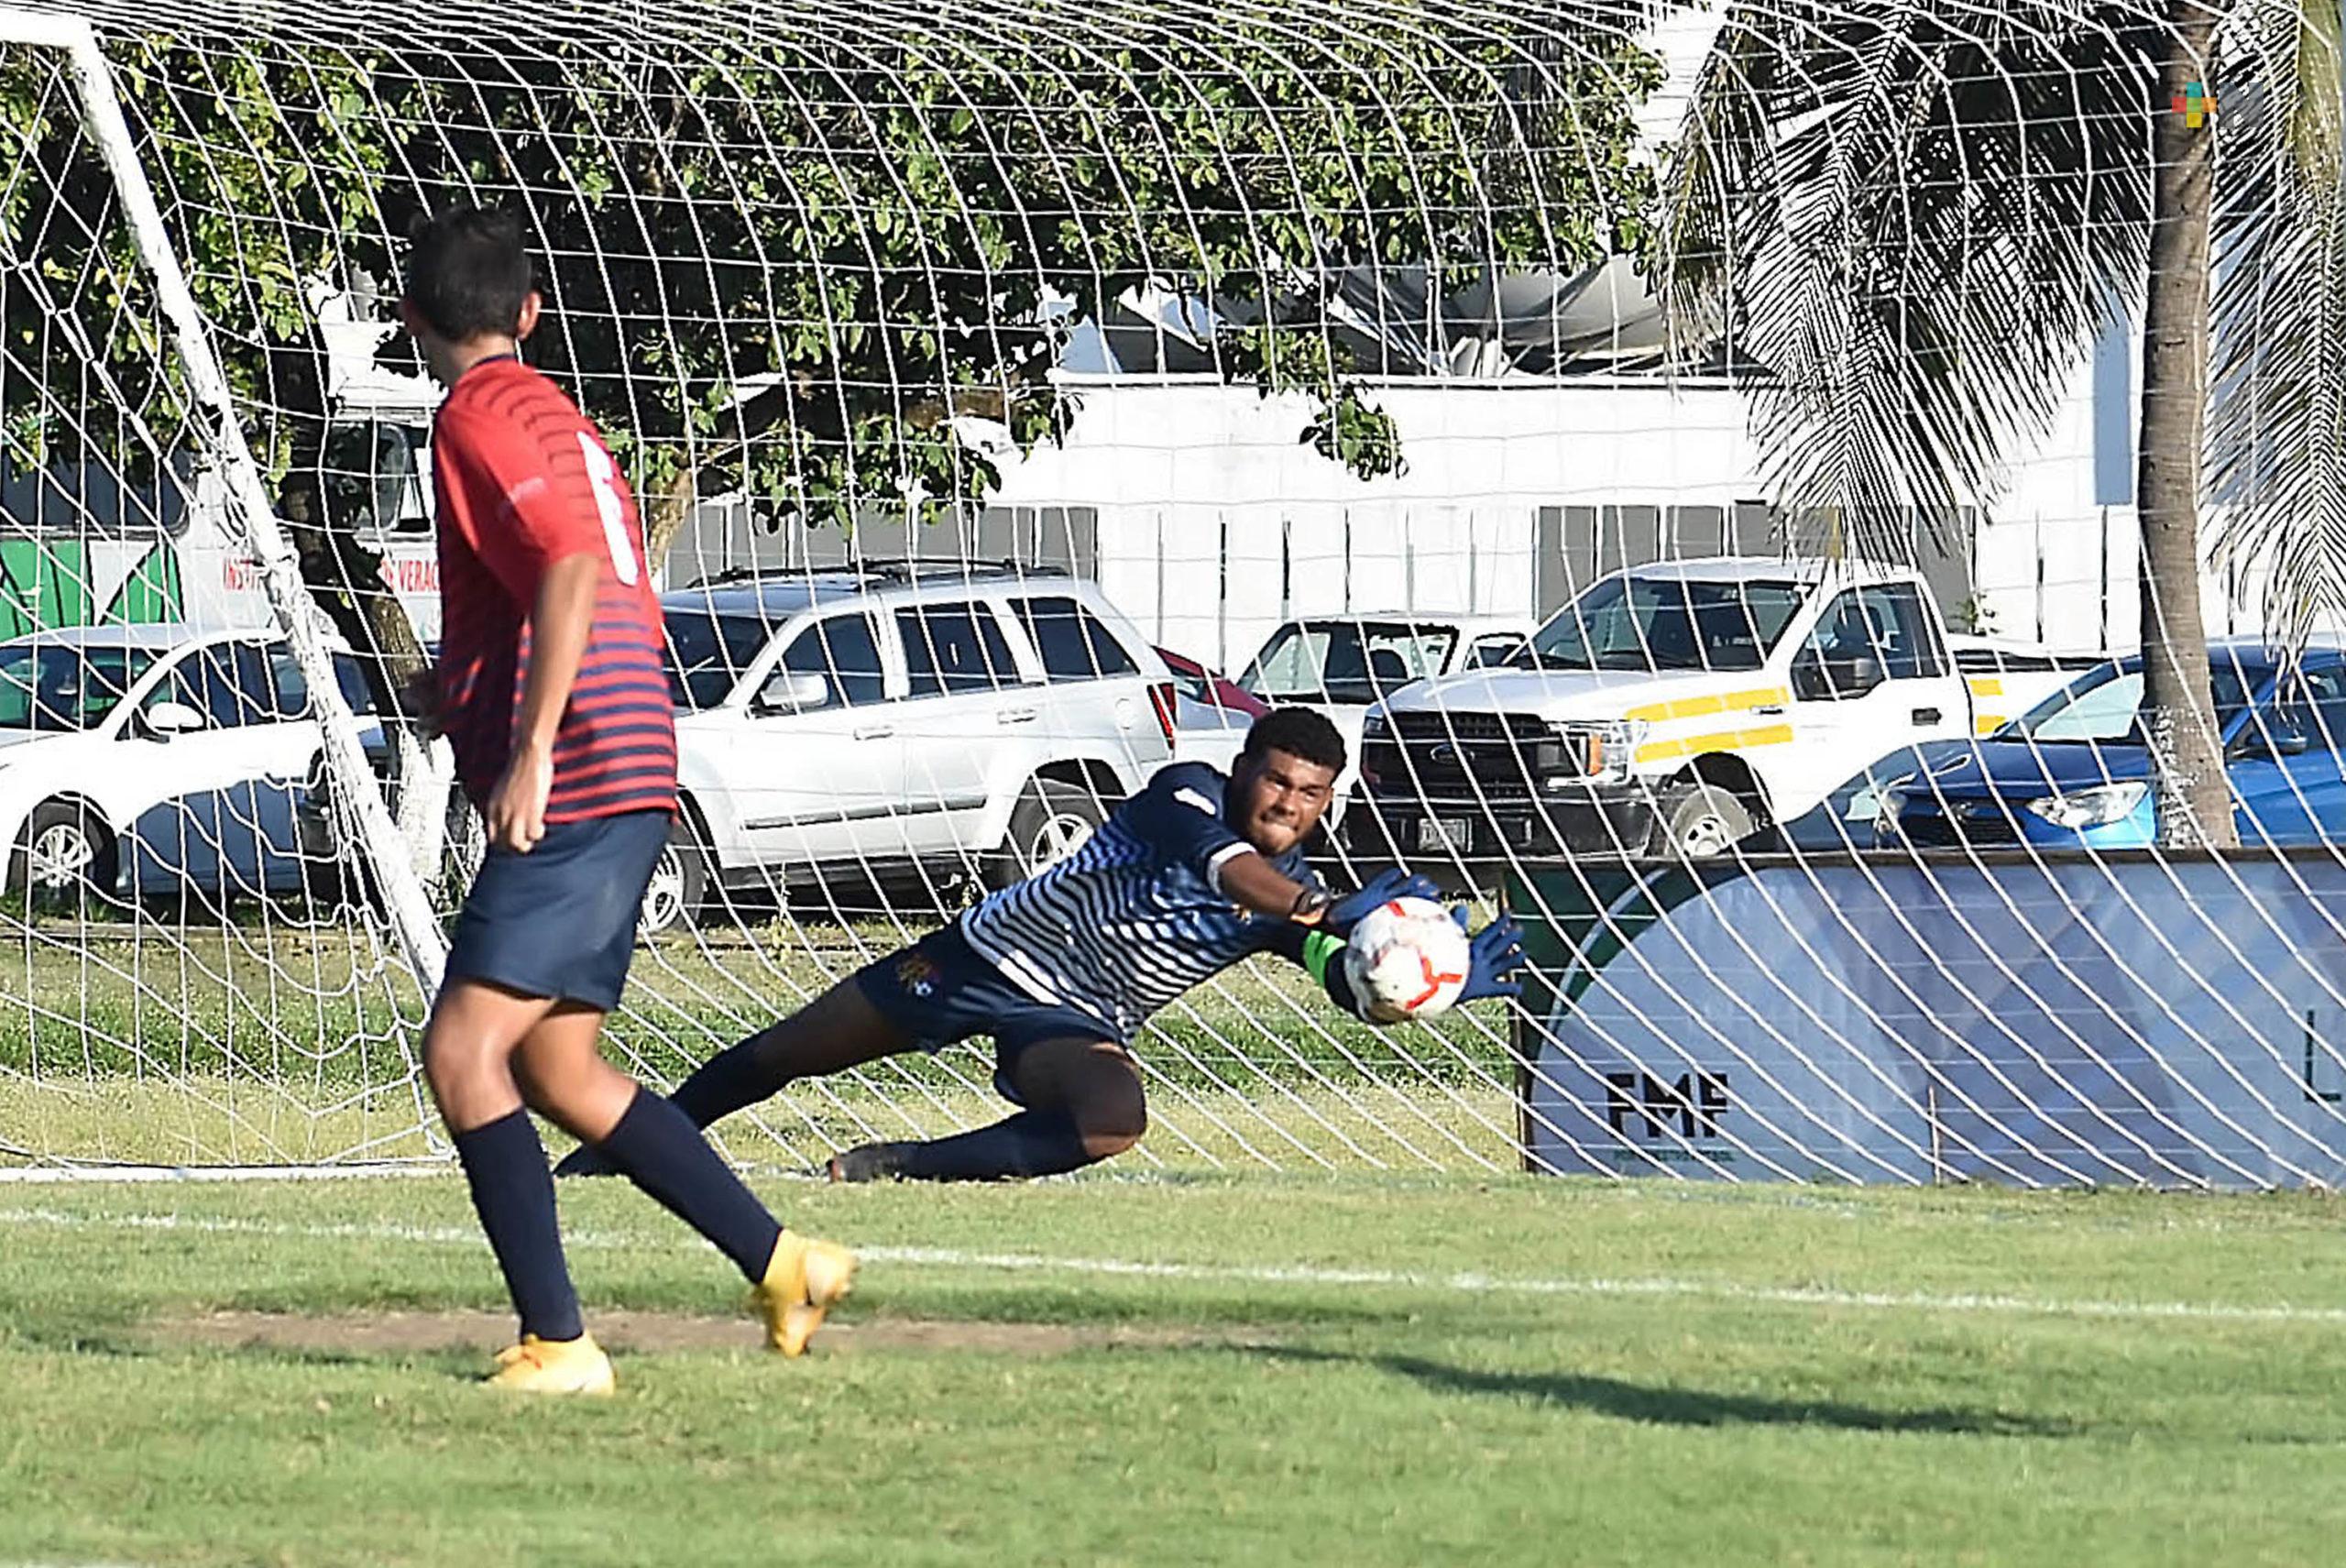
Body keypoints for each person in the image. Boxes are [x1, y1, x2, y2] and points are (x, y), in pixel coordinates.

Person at [405, 205, 851, 1393]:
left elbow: (568, 565)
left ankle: (558, 1341)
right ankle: (784, 1259)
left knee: (462, 1051)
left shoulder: (474, 414)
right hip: (635, 747)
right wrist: (459, 684)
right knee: (557, 1068)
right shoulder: (559, 414)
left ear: (412, 322)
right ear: (531, 314)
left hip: (587, 758)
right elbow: (559, 569)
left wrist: (535, 745)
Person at [559, 708, 1523, 1183]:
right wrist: (1333, 912)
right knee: (773, 1057)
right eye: (1275, 781)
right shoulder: (1185, 795)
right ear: (1243, 771)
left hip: (1074, 1019)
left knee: (1112, 1121)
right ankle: (621, 1155)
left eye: (1310, 793)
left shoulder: (1306, 892)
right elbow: (1237, 876)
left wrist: (1404, 989)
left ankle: (899, 1165)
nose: (1288, 803)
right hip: (980, 958)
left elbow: (1333, 968)